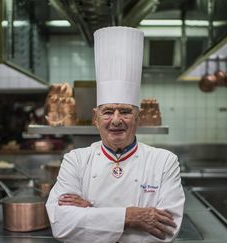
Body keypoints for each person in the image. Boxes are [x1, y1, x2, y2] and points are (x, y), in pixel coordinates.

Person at [45, 26, 185, 243]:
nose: (117, 120)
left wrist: (91, 213)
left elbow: (166, 231)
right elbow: (62, 226)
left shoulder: (165, 162)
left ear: (138, 119)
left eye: (126, 111)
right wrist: (131, 217)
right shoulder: (76, 160)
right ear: (95, 118)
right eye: (108, 111)